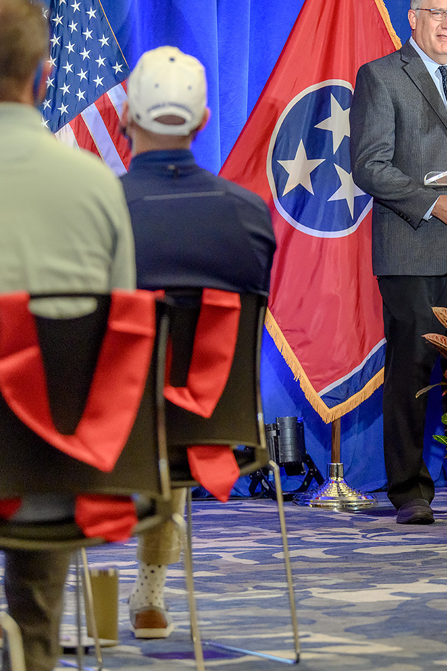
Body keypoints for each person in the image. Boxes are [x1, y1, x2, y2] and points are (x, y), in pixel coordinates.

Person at [0, 0, 135, 671]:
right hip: (53, 469)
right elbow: (119, 337)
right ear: (42, 76)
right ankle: (39, 650)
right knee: (50, 427)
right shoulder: (98, 186)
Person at [118, 46, 276, 638]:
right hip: (214, 422)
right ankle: (151, 591)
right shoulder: (250, 214)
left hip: (112, 426)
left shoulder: (99, 208)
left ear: (126, 119)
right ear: (204, 121)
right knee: (176, 398)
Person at [350, 0, 447, 525]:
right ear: (413, 18)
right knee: (414, 366)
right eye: (439, 13)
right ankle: (410, 490)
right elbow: (369, 166)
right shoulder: (383, 77)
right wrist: (437, 203)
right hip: (413, 245)